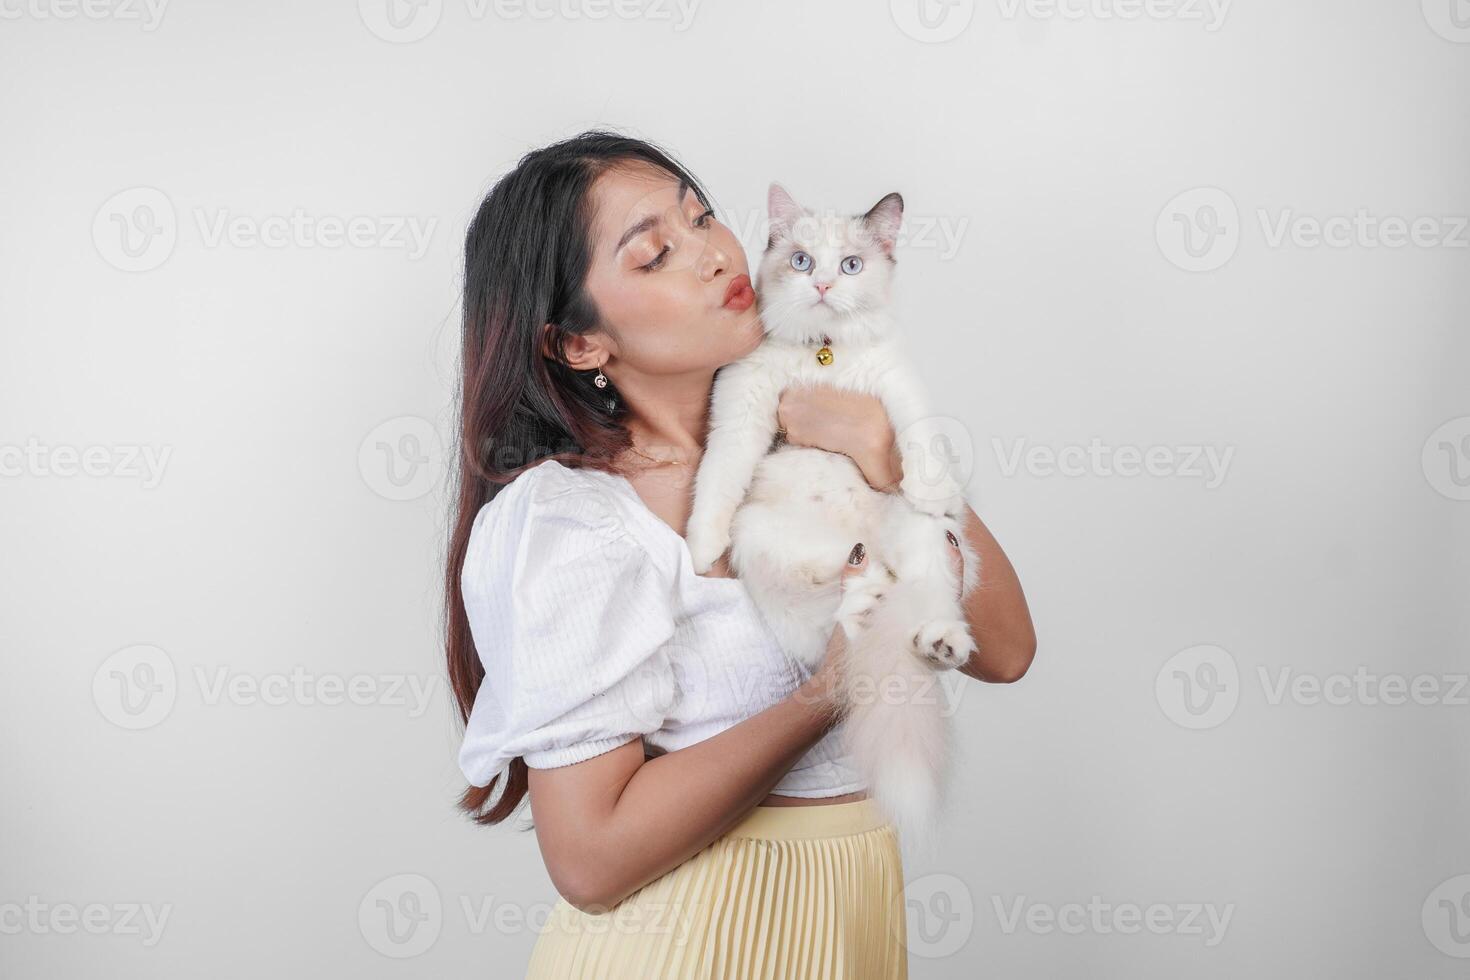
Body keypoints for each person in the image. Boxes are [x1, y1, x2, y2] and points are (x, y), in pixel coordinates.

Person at [444, 130, 1037, 977]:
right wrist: (833, 691)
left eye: (704, 217)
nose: (714, 254)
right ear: (579, 344)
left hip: (847, 935)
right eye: (655, 255)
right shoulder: (574, 520)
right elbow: (589, 861)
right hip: (685, 946)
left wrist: (887, 455)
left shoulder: (814, 433)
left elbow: (1008, 650)